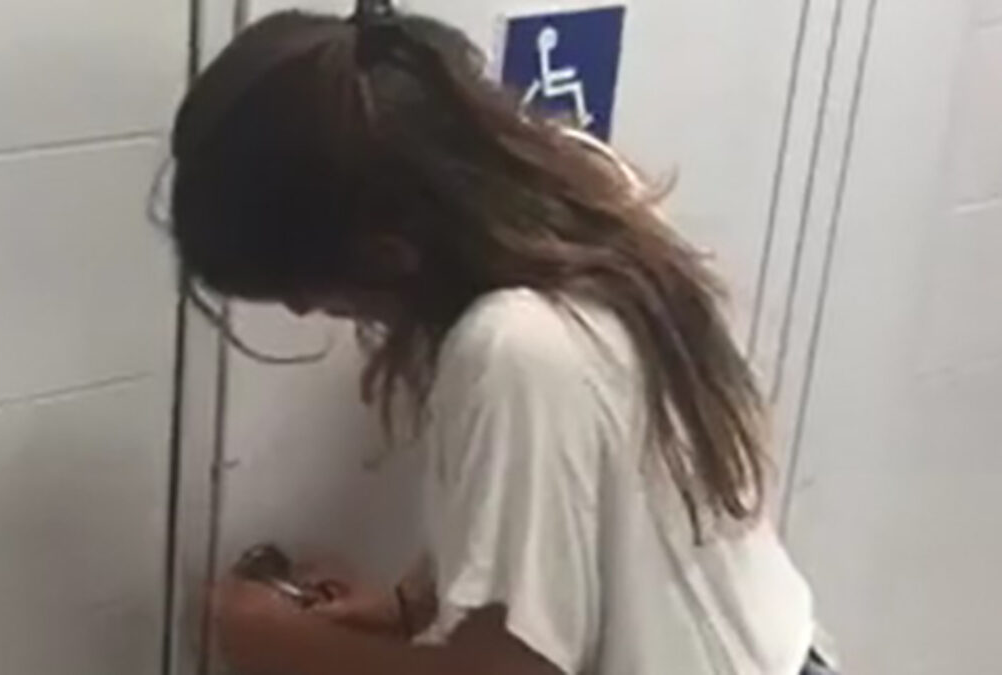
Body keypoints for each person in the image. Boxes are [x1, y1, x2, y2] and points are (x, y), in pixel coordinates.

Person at [167, 8, 833, 675]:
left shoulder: (514, 348)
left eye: (303, 286)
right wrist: (411, 604)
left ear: (389, 253)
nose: (301, 307)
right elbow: (558, 498)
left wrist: (278, 644)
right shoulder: (573, 201)